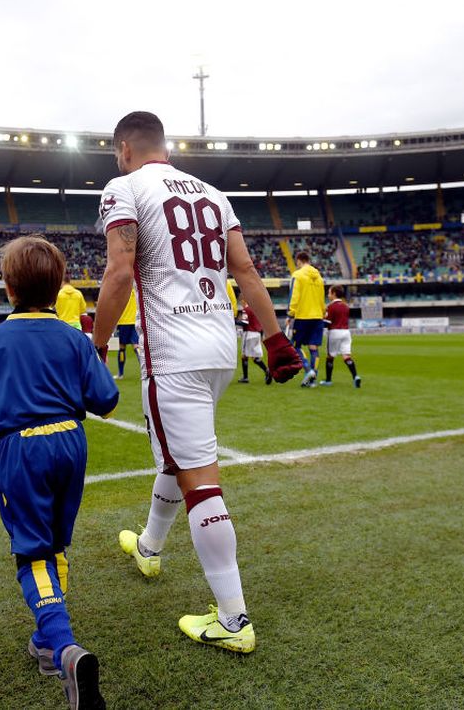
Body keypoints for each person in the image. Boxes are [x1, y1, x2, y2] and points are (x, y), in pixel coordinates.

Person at [92, 111, 302, 655]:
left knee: (200, 481)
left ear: (124, 148)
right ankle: (149, 545)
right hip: (219, 349)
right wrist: (275, 338)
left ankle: (233, 620)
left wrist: (93, 346)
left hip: (173, 351)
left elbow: (119, 272)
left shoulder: (123, 186)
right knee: (179, 456)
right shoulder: (214, 193)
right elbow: (247, 272)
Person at [0, 236, 118, 709]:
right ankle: (47, 644)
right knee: (55, 544)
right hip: (70, 441)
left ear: (8, 288)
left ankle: (64, 646)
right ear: (58, 288)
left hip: (21, 447)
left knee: (31, 551)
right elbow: (106, 400)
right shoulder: (74, 336)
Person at [287, 251, 326, 387]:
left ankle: (308, 370)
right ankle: (313, 379)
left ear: (299, 261)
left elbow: (294, 295)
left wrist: (290, 313)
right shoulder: (319, 277)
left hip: (303, 316)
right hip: (317, 316)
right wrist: (322, 312)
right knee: (313, 347)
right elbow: (322, 298)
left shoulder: (297, 275)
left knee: (295, 346)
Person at [319, 285, 361, 388]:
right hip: (346, 332)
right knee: (346, 356)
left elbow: (327, 323)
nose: (328, 295)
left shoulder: (331, 307)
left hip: (334, 332)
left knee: (330, 357)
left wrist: (320, 320)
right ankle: (355, 376)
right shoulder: (345, 306)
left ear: (333, 294)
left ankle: (328, 380)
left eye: (329, 293)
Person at [236, 295, 270, 385]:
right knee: (255, 357)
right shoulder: (256, 309)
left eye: (241, 301)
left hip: (248, 333)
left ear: (244, 300)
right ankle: (266, 370)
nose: (241, 304)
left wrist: (233, 321)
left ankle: (245, 377)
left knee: (244, 356)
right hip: (257, 334)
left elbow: (244, 322)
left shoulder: (246, 310)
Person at [114, 289, 139, 380]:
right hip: (134, 321)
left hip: (123, 322)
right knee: (136, 346)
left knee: (121, 348)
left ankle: (120, 374)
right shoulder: (134, 290)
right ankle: (144, 371)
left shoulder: (120, 291)